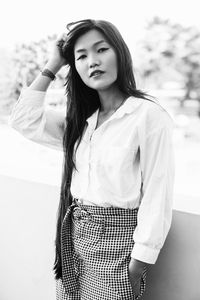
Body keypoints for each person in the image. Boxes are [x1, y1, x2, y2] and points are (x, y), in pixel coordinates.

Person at [9, 19, 175, 300]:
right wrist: (53, 64)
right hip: (73, 241)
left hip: (118, 250)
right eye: (81, 56)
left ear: (120, 54)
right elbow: (23, 119)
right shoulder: (80, 123)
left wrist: (136, 267)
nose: (92, 61)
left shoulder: (147, 116)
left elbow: (158, 193)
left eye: (101, 50)